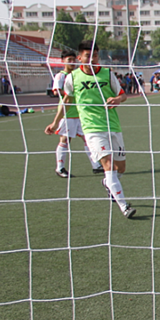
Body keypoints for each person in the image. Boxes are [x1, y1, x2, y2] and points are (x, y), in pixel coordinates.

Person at [46, 40, 135, 219]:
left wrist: (117, 100)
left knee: (121, 167)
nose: (92, 59)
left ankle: (108, 184)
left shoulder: (107, 74)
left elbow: (122, 95)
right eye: (88, 56)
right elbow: (66, 101)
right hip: (92, 128)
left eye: (95, 56)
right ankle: (124, 206)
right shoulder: (72, 78)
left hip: (112, 125)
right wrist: (55, 122)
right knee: (108, 165)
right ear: (79, 58)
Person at [44, 50, 104, 177]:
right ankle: (60, 168)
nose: (72, 62)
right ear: (63, 61)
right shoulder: (61, 76)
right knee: (65, 139)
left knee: (88, 139)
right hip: (68, 113)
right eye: (69, 60)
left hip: (80, 113)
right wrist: (72, 93)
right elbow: (56, 91)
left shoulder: (77, 74)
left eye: (73, 60)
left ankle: (96, 165)